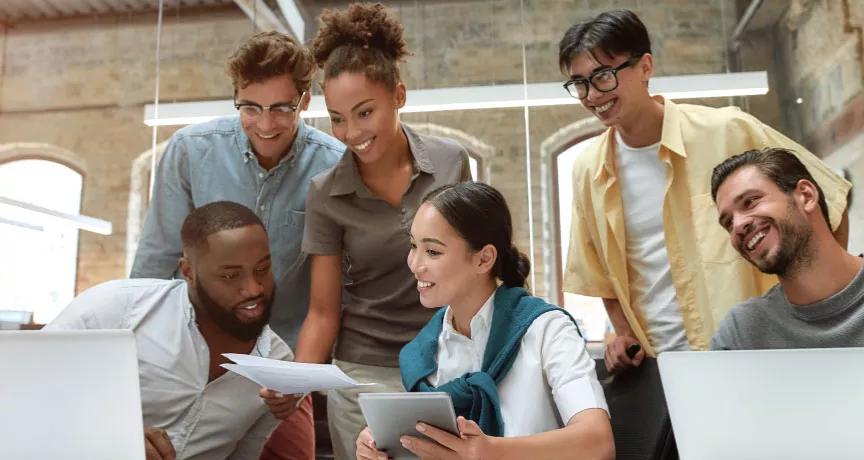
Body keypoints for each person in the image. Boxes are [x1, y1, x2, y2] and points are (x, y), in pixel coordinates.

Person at [557, 9, 851, 373]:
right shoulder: (589, 170)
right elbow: (600, 274)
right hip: (662, 371)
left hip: (759, 356)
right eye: (579, 83)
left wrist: (823, 318)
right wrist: (621, 332)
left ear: (645, 67)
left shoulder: (729, 130)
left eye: (602, 75)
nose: (591, 95)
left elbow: (829, 201)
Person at [130, 31, 344, 457]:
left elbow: (336, 292)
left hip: (277, 372)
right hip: (185, 357)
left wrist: (300, 377)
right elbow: (154, 267)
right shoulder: (190, 152)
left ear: (304, 101)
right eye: (251, 107)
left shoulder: (334, 167)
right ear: (236, 97)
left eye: (282, 108)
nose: (266, 124)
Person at [290, 3, 472, 459]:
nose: (350, 132)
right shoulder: (326, 193)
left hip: (444, 361)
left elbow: (480, 268)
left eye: (364, 112)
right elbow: (323, 312)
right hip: (363, 373)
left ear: (399, 96)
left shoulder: (450, 163)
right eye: (336, 117)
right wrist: (294, 384)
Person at [356, 181, 614, 460]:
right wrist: (382, 445)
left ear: (484, 259)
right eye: (413, 246)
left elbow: (598, 443)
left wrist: (491, 452)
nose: (415, 264)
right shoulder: (424, 353)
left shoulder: (547, 329)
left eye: (432, 252)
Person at [46, 202, 308, 460]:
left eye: (262, 269)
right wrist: (113, 435)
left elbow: (245, 454)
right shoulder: (117, 310)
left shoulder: (277, 363)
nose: (253, 289)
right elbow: (20, 393)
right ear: (188, 272)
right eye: (230, 276)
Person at [710, 148, 864, 350]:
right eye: (728, 223)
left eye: (750, 202)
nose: (738, 226)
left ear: (806, 196)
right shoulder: (742, 333)